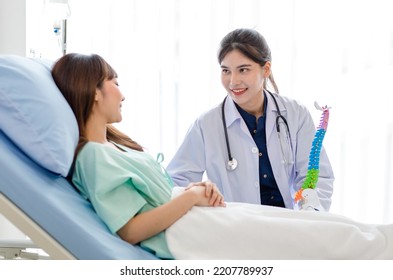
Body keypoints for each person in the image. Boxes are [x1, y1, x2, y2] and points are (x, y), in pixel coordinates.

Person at [51, 53, 392, 260]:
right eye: (114, 81)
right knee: (328, 241)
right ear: (94, 92)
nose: (122, 92)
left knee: (328, 226)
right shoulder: (94, 157)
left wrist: (194, 194)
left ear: (265, 70)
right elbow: (130, 230)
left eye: (243, 70)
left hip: (206, 217)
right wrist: (192, 195)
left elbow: (159, 196)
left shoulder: (113, 147)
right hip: (190, 231)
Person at [166, 28, 335, 210]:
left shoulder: (295, 114)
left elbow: (317, 177)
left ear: (266, 69)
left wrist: (309, 213)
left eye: (243, 70)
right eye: (226, 71)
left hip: (289, 224)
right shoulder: (206, 125)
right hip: (235, 227)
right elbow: (176, 182)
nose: (233, 81)